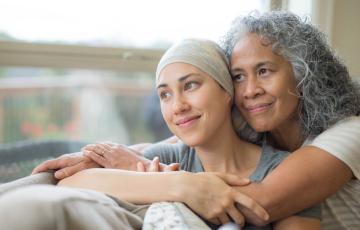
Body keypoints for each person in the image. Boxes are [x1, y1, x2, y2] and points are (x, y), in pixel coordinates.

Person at [32, 11, 360, 228]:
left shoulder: (348, 132)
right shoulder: (256, 122)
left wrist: (170, 181)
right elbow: (171, 144)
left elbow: (257, 203)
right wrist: (101, 155)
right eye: (238, 77)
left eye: (264, 71)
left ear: (304, 73)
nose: (250, 90)